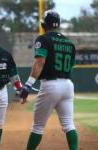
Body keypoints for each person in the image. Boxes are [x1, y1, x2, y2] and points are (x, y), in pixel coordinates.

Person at [19, 10, 78, 150]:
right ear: (58, 24)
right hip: (68, 85)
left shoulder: (43, 39)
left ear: (43, 23)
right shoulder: (70, 43)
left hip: (51, 84)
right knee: (69, 124)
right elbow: (71, 67)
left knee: (38, 126)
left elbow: (40, 62)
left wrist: (28, 85)